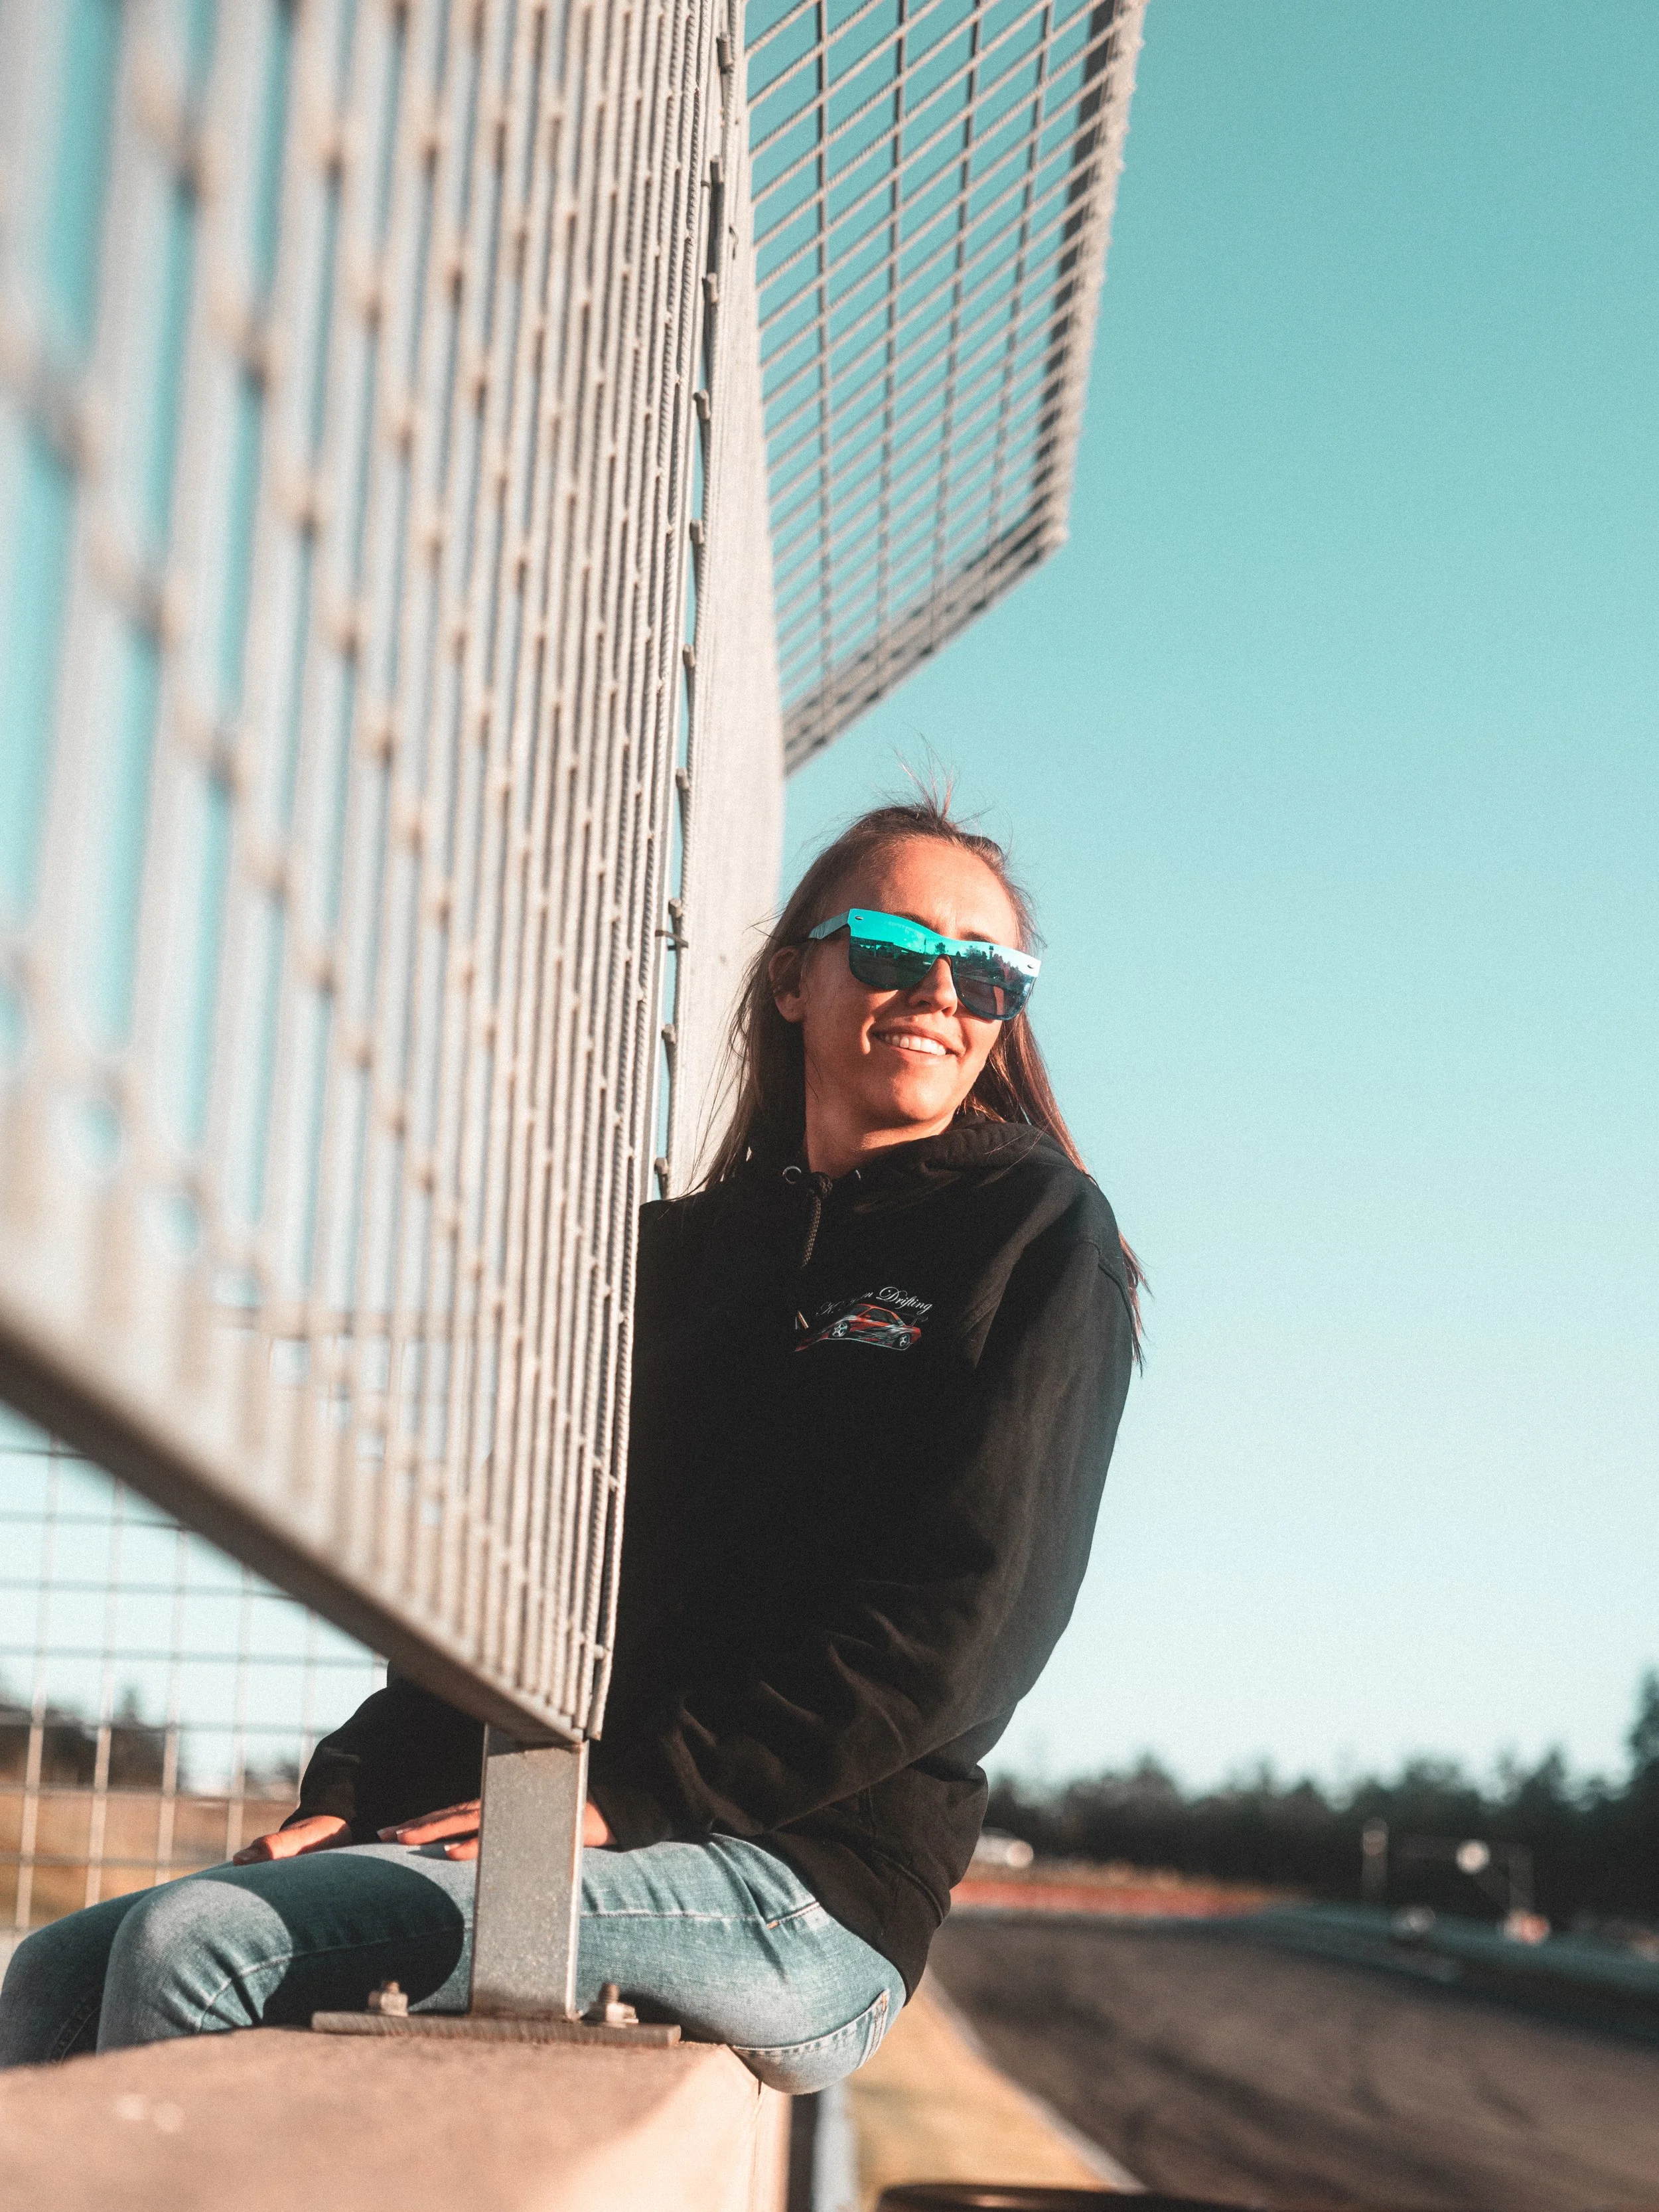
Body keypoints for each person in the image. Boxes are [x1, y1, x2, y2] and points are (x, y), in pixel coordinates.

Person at [0, 796, 1140, 2091]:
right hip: (580, 1819)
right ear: (788, 978)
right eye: (889, 945)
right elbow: (527, 1581)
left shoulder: (1034, 1236)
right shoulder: (669, 1263)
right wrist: (360, 1783)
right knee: (55, 1972)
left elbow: (965, 1624)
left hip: (804, 1882)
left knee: (200, 1948)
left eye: (987, 968)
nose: (940, 989)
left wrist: (628, 1802)